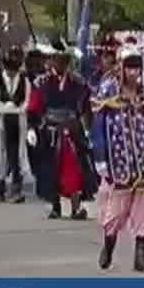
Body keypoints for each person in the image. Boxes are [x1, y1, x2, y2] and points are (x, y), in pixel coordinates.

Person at [91, 45, 144, 272]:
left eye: (137, 67)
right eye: (130, 67)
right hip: (118, 163)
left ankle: (141, 257)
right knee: (114, 212)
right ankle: (108, 246)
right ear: (121, 68)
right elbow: (98, 128)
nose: (134, 72)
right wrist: (100, 157)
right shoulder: (108, 94)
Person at [32, 38, 95, 220]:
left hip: (72, 130)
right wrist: (32, 127)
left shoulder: (78, 82)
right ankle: (55, 206)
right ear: (51, 60)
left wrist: (88, 128)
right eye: (56, 59)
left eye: (64, 60)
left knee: (74, 169)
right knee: (50, 169)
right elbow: (34, 107)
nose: (60, 63)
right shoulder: (41, 82)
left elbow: (85, 107)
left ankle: (76, 207)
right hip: (50, 130)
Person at [0, 46, 29, 203]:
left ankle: (16, 189)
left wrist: (17, 109)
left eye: (14, 69)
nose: (12, 73)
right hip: (0, 121)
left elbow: (28, 101)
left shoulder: (24, 81)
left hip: (18, 121)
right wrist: (4, 108)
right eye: (9, 69)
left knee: (17, 155)